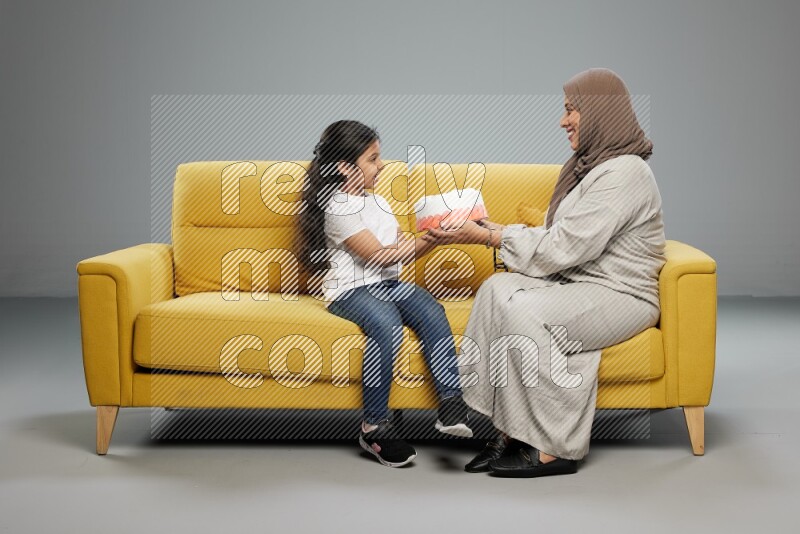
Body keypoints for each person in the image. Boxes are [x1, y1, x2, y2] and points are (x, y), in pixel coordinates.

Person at [424, 68, 667, 477]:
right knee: (497, 289)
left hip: (622, 294)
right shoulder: (588, 167)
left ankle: (554, 446)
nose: (562, 120)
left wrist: (487, 240)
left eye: (572, 110)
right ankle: (508, 428)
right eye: (565, 110)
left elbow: (564, 247)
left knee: (526, 313)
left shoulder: (626, 173)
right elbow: (561, 234)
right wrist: (493, 229)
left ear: (601, 112)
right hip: (580, 281)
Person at [296, 120, 473, 468]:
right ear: (345, 167)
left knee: (431, 310)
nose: (383, 165)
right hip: (351, 291)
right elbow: (376, 254)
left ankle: (451, 404)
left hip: (389, 284)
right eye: (373, 159)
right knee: (385, 322)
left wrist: (432, 237)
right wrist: (428, 239)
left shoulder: (379, 202)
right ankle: (374, 425)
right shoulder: (338, 208)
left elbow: (398, 251)